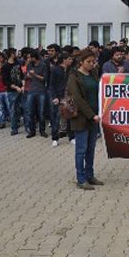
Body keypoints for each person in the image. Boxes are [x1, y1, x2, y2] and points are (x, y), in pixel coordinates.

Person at [67, 49, 103, 190]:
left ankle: (90, 175)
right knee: (81, 149)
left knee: (91, 149)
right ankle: (81, 179)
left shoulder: (93, 73)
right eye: (88, 62)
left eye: (93, 61)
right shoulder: (74, 77)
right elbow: (77, 99)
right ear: (81, 62)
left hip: (95, 117)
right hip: (81, 118)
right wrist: (91, 115)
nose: (91, 64)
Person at [49, 52, 75, 146]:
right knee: (56, 118)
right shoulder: (56, 70)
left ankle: (71, 137)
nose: (71, 61)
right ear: (64, 60)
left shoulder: (71, 70)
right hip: (58, 97)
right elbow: (51, 85)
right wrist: (54, 97)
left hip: (69, 97)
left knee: (70, 118)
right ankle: (55, 138)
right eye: (69, 59)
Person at [24, 50, 48, 138]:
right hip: (31, 90)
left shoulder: (43, 65)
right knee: (30, 112)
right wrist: (28, 76)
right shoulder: (29, 65)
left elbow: (45, 78)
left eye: (30, 57)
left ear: (35, 58)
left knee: (41, 112)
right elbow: (26, 76)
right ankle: (32, 131)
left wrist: (35, 75)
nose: (29, 59)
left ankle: (42, 131)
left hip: (41, 91)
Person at [2, 48, 24, 136]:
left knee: (22, 108)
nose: (16, 54)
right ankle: (14, 129)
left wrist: (23, 85)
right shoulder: (5, 67)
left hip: (21, 89)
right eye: (15, 53)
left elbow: (21, 75)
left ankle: (26, 126)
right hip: (12, 91)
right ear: (11, 54)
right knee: (13, 110)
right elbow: (5, 81)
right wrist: (15, 87)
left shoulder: (18, 63)